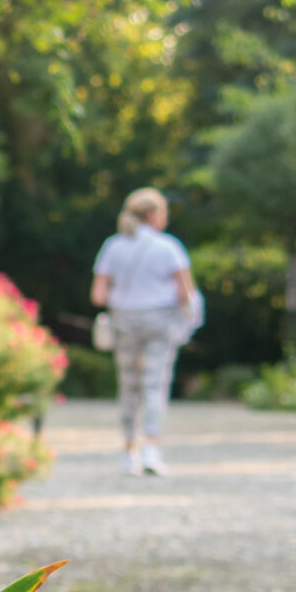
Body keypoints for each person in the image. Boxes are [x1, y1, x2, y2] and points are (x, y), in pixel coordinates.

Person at [92, 187, 196, 475]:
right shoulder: (168, 247)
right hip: (160, 323)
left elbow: (98, 296)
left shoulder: (113, 246)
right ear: (153, 214)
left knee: (128, 386)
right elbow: (186, 294)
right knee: (155, 384)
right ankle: (151, 448)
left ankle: (128, 450)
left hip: (124, 323)